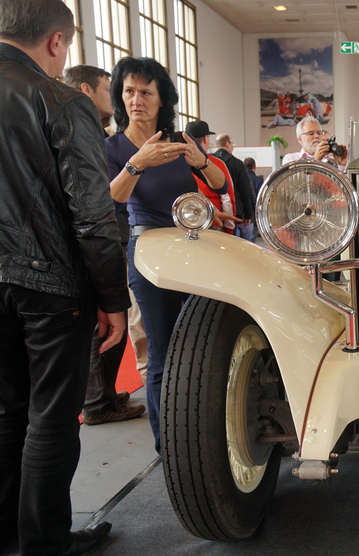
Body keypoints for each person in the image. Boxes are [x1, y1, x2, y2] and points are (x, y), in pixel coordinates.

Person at [0, 0, 129, 556]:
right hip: (48, 284)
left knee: (7, 412)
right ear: (57, 43)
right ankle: (46, 554)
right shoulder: (60, 100)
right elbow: (93, 215)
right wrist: (112, 299)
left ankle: (7, 531)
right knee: (51, 418)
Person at [105, 57, 234, 454]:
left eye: (146, 92)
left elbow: (217, 182)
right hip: (147, 253)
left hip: (193, 247)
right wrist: (136, 164)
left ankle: (209, 432)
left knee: (204, 343)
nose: (136, 99)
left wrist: (202, 160)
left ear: (162, 99)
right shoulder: (113, 147)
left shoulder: (178, 140)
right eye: (129, 91)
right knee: (161, 349)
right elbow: (112, 197)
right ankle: (169, 446)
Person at [64, 64, 145, 425]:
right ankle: (97, 403)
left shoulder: (90, 132)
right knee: (106, 322)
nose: (118, 98)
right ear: (86, 89)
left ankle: (103, 396)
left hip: (102, 238)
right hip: (96, 240)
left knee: (110, 320)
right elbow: (97, 198)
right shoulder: (82, 134)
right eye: (111, 89)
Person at [185, 121, 236, 234]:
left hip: (186, 224)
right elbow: (227, 198)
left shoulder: (179, 162)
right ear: (205, 139)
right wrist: (229, 227)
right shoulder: (217, 164)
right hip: (213, 224)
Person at [212, 133, 256, 241]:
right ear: (227, 144)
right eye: (232, 143)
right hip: (234, 212)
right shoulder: (237, 164)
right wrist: (248, 214)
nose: (233, 146)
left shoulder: (210, 161)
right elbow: (245, 190)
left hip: (214, 212)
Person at [283, 115, 348, 170]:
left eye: (319, 133)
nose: (317, 136)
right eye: (311, 133)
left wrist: (341, 165)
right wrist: (316, 160)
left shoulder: (332, 160)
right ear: (300, 139)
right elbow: (294, 181)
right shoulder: (292, 159)